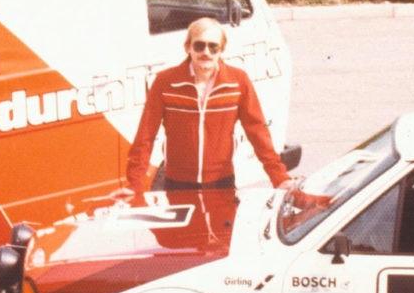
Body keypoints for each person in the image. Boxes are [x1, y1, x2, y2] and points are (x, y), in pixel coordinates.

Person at [118, 17, 295, 195]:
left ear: (222, 49)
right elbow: (145, 135)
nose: (206, 52)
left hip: (222, 182)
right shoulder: (165, 82)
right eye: (199, 46)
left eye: (213, 47)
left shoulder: (238, 81)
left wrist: (279, 177)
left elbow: (257, 132)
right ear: (188, 47)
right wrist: (134, 184)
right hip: (177, 183)